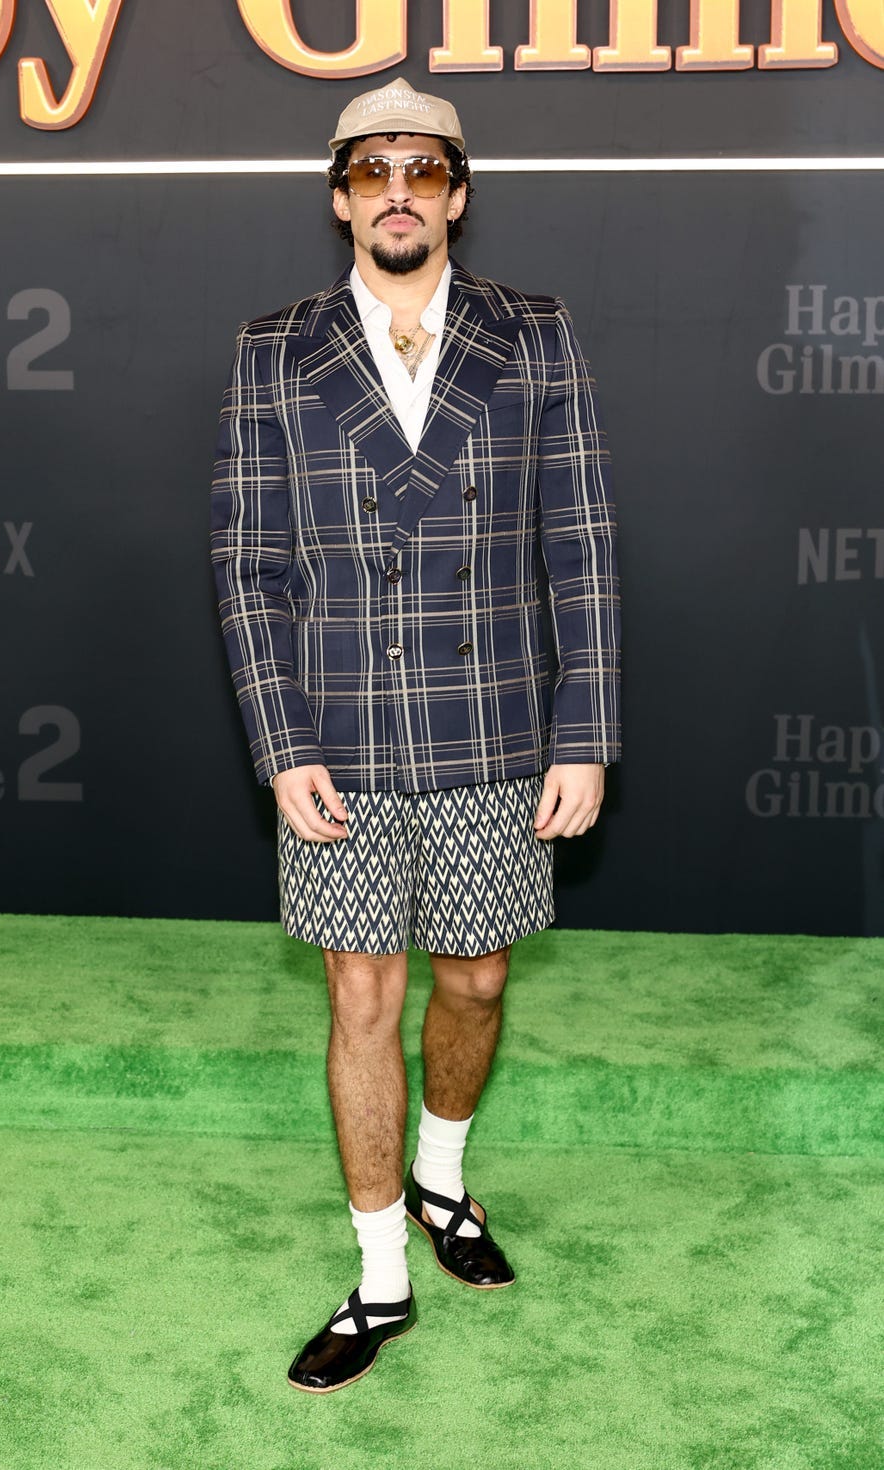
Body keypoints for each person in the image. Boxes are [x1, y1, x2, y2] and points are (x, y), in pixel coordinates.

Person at [210, 77, 620, 1394]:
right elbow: (246, 563)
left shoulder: (536, 334)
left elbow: (582, 549)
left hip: (495, 728)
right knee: (360, 994)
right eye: (372, 168)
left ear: (458, 191)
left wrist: (584, 731)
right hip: (337, 734)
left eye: (423, 168)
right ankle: (381, 1273)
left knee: (479, 981)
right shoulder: (271, 348)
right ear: (339, 198)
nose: (398, 190)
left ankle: (445, 1177)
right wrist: (280, 742)